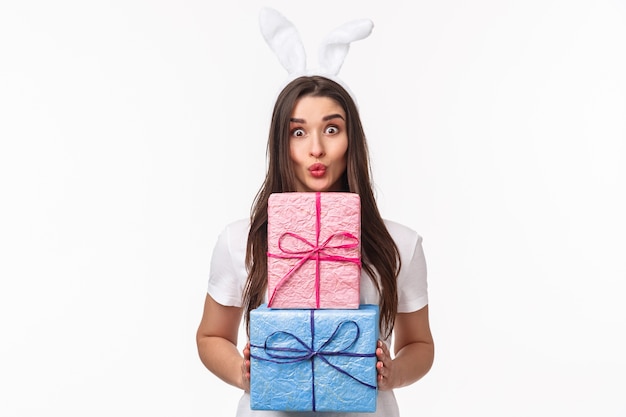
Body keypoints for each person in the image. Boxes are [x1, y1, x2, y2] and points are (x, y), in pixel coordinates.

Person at [196, 74, 434, 417]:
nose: (316, 148)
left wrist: (393, 373)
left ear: (352, 140)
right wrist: (242, 372)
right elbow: (210, 335)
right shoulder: (240, 240)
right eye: (298, 132)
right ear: (281, 143)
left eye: (332, 129)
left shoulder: (400, 243)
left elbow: (420, 345)